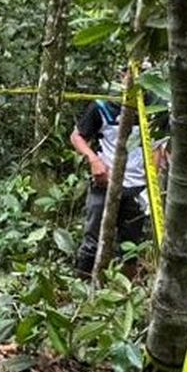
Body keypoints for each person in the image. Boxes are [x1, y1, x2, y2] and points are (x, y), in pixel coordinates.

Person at [69, 70, 151, 277]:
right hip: (106, 182)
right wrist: (94, 160)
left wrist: (153, 181)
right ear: (122, 76)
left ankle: (124, 293)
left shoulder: (154, 108)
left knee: (130, 246)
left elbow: (159, 146)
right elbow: (77, 136)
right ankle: (82, 287)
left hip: (137, 186)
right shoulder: (103, 106)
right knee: (92, 240)